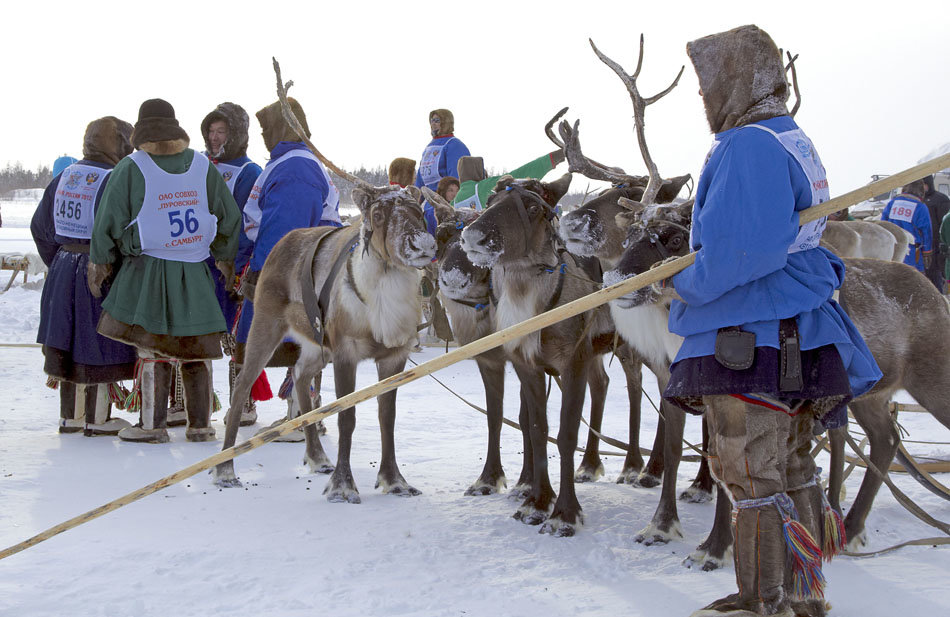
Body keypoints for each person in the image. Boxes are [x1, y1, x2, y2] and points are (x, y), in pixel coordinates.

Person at [659, 26, 881, 617]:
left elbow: (739, 253)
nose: (705, 100)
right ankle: (803, 594)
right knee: (790, 465)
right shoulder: (789, 136)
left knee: (750, 472)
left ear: (734, 79)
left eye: (708, 86)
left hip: (749, 333)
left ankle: (763, 600)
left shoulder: (746, 145)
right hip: (798, 325)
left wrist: (675, 282)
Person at [89, 98, 241, 443]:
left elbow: (107, 223)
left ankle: (152, 426)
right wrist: (222, 256)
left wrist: (101, 261)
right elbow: (230, 218)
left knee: (152, 347)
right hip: (195, 270)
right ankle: (200, 426)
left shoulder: (132, 167)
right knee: (197, 348)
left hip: (147, 273)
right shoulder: (202, 166)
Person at [235, 97, 341, 437]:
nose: (263, 137)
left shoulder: (294, 166)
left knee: (297, 339)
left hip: (296, 271)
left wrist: (266, 272)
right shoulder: (292, 162)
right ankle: (301, 413)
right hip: (307, 268)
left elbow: (287, 229)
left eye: (267, 129)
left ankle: (301, 417)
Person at [31, 117, 137, 436]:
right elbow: (120, 231)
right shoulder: (114, 178)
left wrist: (59, 262)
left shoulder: (65, 176)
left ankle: (71, 416)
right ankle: (97, 417)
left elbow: (40, 226)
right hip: (98, 269)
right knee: (97, 341)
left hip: (64, 265)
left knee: (68, 340)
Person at [186, 102, 266, 428]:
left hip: (231, 265)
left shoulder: (249, 172)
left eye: (222, 131)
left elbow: (250, 221)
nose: (214, 137)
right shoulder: (199, 165)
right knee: (194, 335)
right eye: (211, 130)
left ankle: (242, 404)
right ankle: (189, 406)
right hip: (197, 261)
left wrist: (237, 262)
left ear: (237, 135)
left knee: (235, 337)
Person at [453, 150, 565, 211]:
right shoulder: (482, 187)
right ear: (477, 171)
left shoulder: (453, 202)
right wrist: (553, 158)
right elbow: (520, 174)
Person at [881, 180, 932, 272]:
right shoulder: (920, 207)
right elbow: (926, 232)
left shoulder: (892, 203)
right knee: (912, 278)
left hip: (892, 248)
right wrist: (927, 252)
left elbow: (882, 225)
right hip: (912, 251)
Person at [414, 109, 470, 192]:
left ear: (446, 122)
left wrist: (452, 198)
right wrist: (416, 198)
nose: (433, 123)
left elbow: (456, 177)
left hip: (445, 200)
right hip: (429, 200)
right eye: (432, 121)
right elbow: (421, 179)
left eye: (437, 121)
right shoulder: (429, 147)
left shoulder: (454, 145)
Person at [922, 175, 950, 291]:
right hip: (922, 246)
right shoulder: (918, 200)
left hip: (936, 247)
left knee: (936, 277)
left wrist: (942, 250)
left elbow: (945, 227)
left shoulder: (940, 199)